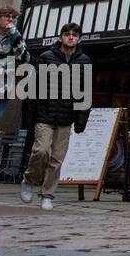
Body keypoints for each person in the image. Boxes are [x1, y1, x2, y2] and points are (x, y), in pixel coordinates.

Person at [20, 23, 91, 211]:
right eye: (67, 34)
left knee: (57, 159)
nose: (71, 38)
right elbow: (33, 88)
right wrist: (29, 116)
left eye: (74, 35)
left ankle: (47, 195)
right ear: (61, 37)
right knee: (41, 151)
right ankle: (29, 179)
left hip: (66, 117)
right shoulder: (46, 57)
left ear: (79, 39)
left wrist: (81, 120)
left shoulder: (84, 61)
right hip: (44, 114)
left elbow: (85, 93)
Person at [0, 6, 29, 136]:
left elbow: (24, 58)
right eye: (7, 16)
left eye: (13, 18)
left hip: (2, 94)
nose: (10, 20)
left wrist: (14, 33)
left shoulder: (14, 39)